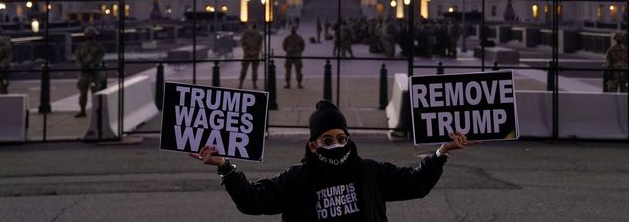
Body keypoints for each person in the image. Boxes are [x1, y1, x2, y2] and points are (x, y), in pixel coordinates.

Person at [191, 100, 472, 221]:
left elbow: (415, 184)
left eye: (341, 137)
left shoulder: (369, 172)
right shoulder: (297, 178)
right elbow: (253, 200)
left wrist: (441, 152)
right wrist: (225, 167)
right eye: (327, 140)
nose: (336, 144)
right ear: (313, 146)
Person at [74, 26, 106, 118]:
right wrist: (92, 64)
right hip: (92, 72)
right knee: (94, 93)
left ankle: (83, 110)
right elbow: (100, 57)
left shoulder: (81, 46)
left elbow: (77, 58)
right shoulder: (98, 46)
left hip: (85, 72)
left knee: (84, 93)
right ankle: (95, 111)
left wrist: (83, 64)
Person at [239, 23, 263, 89]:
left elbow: (260, 44)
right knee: (244, 69)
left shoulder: (258, 34)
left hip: (254, 55)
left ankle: (254, 84)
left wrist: (256, 51)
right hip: (248, 54)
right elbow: (242, 42)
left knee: (254, 70)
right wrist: (247, 50)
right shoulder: (246, 33)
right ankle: (241, 83)